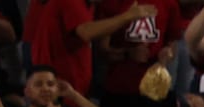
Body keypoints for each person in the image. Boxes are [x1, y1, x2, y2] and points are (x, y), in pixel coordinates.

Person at [28, 0, 159, 96]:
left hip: (71, 89)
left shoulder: (90, 5)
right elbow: (86, 32)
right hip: (56, 90)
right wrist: (128, 16)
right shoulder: (72, 2)